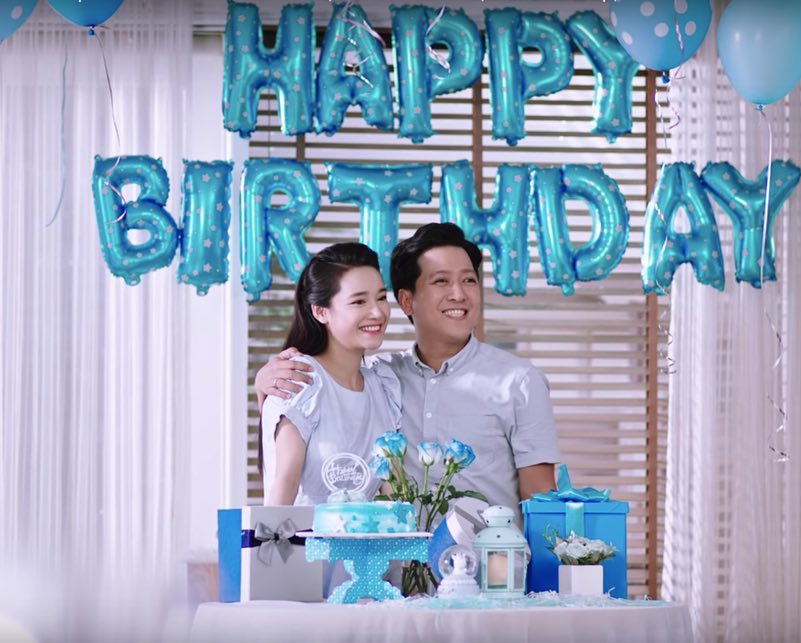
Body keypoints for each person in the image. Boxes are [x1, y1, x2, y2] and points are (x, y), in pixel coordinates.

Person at [257, 223, 559, 522]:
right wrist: (264, 384)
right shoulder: (383, 377)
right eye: (441, 281)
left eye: (468, 280)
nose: (459, 294)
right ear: (405, 300)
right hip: (392, 553)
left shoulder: (519, 382)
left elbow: (540, 501)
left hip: (487, 552)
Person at [260, 242, 401, 505]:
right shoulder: (301, 382)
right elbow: (282, 491)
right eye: (359, 301)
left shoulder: (383, 388)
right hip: (299, 533)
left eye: (381, 297)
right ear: (320, 311)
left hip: (369, 534)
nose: (377, 312)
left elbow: (395, 498)